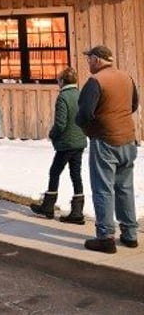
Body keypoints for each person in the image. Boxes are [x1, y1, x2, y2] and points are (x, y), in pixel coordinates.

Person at [75, 45, 139, 254]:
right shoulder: (126, 77)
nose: (88, 63)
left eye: (89, 59)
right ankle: (130, 234)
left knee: (103, 189)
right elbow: (134, 105)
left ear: (97, 59)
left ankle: (105, 237)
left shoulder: (96, 82)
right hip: (128, 139)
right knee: (125, 188)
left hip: (105, 140)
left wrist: (90, 130)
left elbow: (84, 114)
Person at [30, 67, 87, 222]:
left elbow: (61, 123)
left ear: (62, 81)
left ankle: (48, 207)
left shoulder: (63, 97)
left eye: (58, 80)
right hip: (79, 141)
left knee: (54, 172)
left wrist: (52, 134)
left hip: (66, 143)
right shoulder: (81, 95)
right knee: (76, 175)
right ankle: (77, 211)